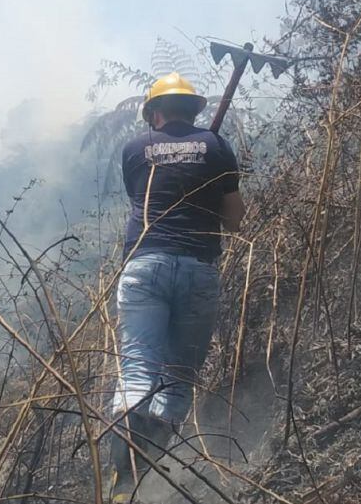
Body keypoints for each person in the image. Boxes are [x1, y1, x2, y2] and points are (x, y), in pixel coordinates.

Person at [108, 72, 246, 503]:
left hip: (144, 267)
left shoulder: (134, 150)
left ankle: (120, 480)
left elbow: (143, 199)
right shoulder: (217, 147)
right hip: (197, 270)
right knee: (177, 378)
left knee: (137, 370)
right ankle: (148, 476)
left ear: (155, 113)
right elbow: (235, 220)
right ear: (193, 110)